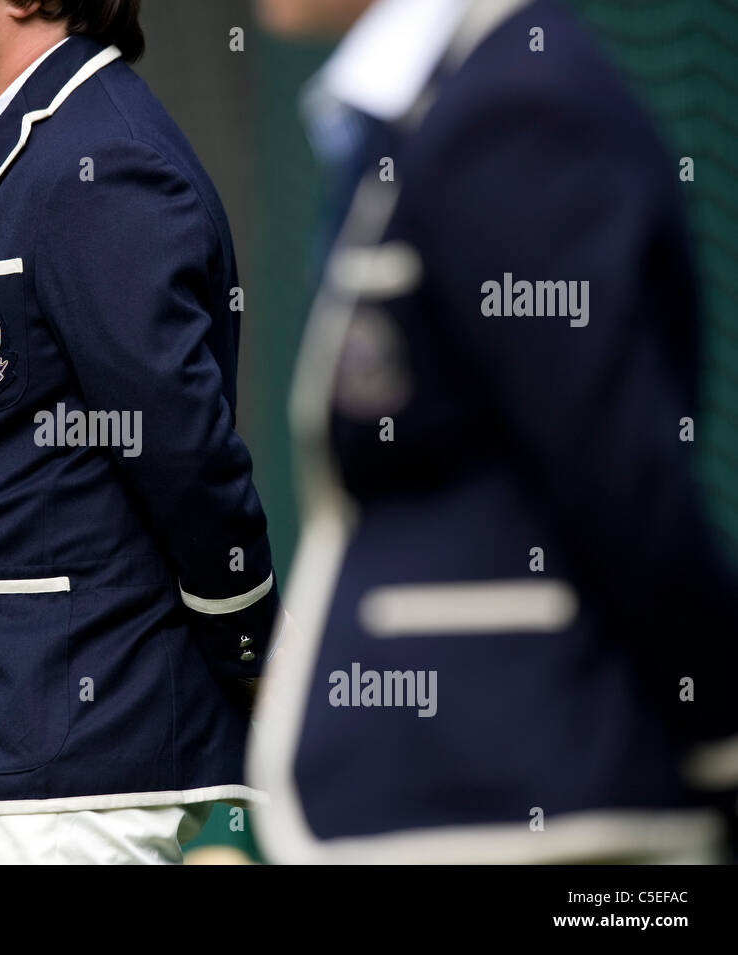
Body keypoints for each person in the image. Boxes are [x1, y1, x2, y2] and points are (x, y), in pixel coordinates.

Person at [248, 0, 738, 863]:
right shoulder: (433, 103)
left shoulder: (517, 108)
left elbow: (623, 478)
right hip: (448, 804)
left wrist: (720, 737)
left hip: (524, 809)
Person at [0, 0, 279, 864]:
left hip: (70, 763)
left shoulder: (102, 157)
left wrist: (251, 643)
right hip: (18, 751)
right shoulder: (38, 136)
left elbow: (183, 449)